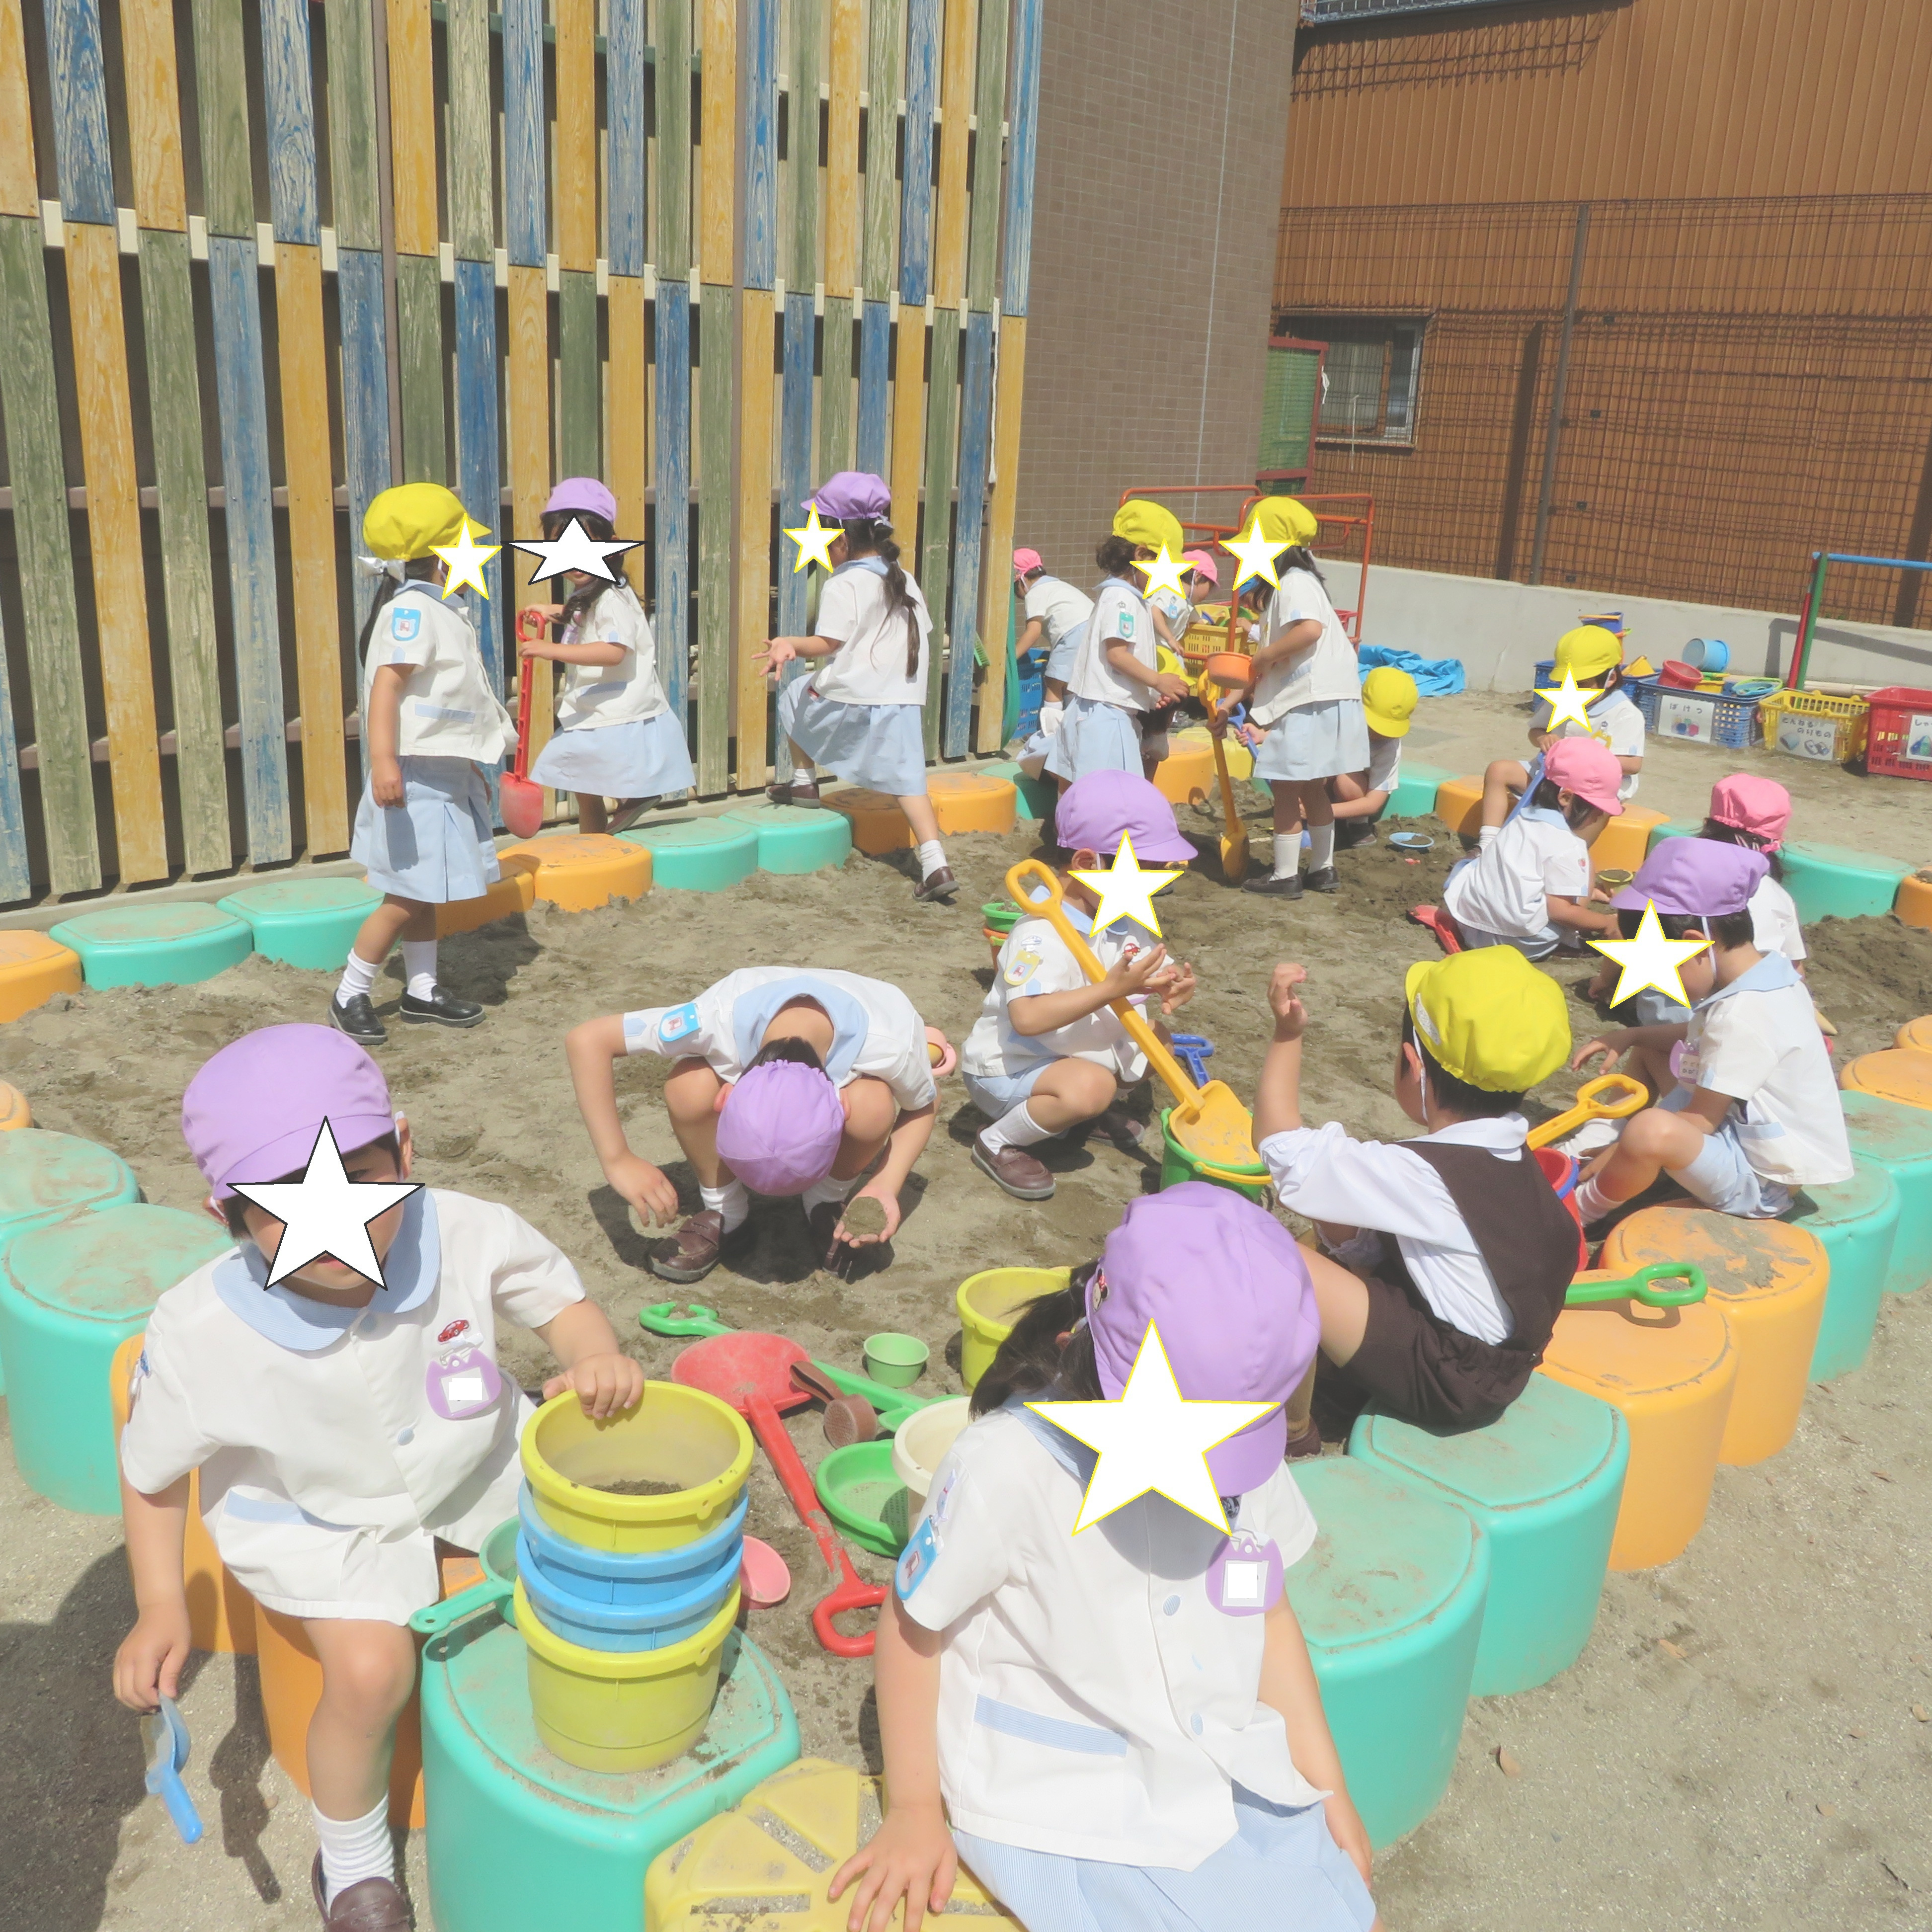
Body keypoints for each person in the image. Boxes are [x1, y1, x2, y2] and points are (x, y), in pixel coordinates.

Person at [112, 1026, 640, 1932]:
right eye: (285, 1202)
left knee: (582, 1593)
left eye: (357, 1177)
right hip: (322, 1520)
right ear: (225, 1213)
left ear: (404, 1150)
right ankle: (354, 1862)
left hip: (479, 1471)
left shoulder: (464, 1229)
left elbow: (558, 1300)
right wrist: (161, 1603)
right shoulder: (198, 1332)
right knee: (369, 1671)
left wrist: (593, 1354)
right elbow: (151, 1471)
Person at [826, 1185, 1379, 1932]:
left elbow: (1268, 1613)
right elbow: (912, 1621)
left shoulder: (1236, 1444)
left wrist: (1327, 1787)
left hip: (1223, 1764)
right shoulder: (1008, 1465)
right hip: (1075, 1800)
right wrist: (915, 1809)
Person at [1253, 948, 1581, 1440]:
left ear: (1413, 1064)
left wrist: (1287, 1034)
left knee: (1271, 1253)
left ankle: (1295, 1433)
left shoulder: (1420, 1174)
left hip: (1452, 1380)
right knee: (1335, 1219)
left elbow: (1277, 1146)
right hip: (1502, 1360)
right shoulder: (1509, 1154)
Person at [566, 967, 937, 1283]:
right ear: (726, 1096)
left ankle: (826, 1200)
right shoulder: (714, 1020)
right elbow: (587, 1040)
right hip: (754, 1004)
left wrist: (885, 1184)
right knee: (688, 1086)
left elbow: (924, 1104)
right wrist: (617, 1159)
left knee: (875, 1106)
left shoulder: (892, 1044)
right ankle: (725, 1208)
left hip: (869, 1022)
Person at [1567, 840, 1853, 1227]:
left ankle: (1581, 1209)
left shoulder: (1744, 1014)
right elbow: (1702, 1038)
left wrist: (1621, 1151)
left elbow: (1702, 1119)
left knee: (1648, 1132)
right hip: (1739, 1133)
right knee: (1651, 1049)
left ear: (1692, 943)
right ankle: (1601, 1137)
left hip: (1759, 1182)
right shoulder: (1768, 975)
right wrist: (1632, 1035)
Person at [331, 483, 519, 1047]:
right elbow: (387, 687)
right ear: (441, 554)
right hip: (414, 774)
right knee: (405, 895)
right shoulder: (411, 611)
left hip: (445, 772)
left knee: (426, 889)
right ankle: (350, 991)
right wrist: (384, 760)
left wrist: (475, 758)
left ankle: (422, 988)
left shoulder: (441, 609)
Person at [962, 771, 1199, 1200]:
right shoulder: (1040, 933)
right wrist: (1109, 990)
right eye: (1145, 869)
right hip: (1014, 1068)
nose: (1154, 884)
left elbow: (1139, 974)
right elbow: (1028, 1018)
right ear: (1089, 864)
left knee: (1159, 1042)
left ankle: (1077, 1115)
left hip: (1075, 1053)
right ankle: (997, 1141)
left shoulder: (1122, 918)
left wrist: (1168, 985)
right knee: (1091, 1088)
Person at [759, 472, 956, 902]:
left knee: (794, 695)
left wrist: (788, 642)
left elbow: (828, 644)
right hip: (902, 699)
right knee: (910, 783)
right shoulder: (902, 577)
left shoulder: (844, 582)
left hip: (857, 696)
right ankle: (935, 863)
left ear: (843, 542)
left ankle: (804, 780)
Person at [521, 476, 693, 834]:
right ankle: (600, 837)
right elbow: (586, 620)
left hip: (612, 712)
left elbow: (613, 651)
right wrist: (555, 611)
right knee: (584, 785)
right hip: (601, 709)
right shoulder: (596, 591)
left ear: (611, 547)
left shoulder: (611, 597)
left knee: (584, 778)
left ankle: (626, 807)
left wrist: (550, 650)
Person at [1240, 498, 1367, 901]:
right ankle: (1322, 868)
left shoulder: (1294, 581)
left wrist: (1265, 655)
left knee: (1286, 787)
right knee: (1313, 786)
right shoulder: (1304, 581)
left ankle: (1284, 875)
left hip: (1308, 698)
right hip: (1329, 695)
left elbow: (1309, 630)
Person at [1046, 501, 1192, 789]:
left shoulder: (1131, 597)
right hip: (1105, 715)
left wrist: (1150, 693)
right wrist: (1158, 681)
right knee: (1108, 794)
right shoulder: (1121, 598)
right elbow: (1117, 655)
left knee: (1080, 791)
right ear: (1141, 555)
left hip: (1102, 710)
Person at [1441, 737, 1624, 958]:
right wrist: (1606, 923)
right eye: (1597, 809)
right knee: (1584, 870)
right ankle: (1568, 940)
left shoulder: (1521, 818)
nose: (1598, 817)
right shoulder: (1569, 845)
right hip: (1515, 941)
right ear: (1566, 797)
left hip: (1468, 924)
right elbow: (1560, 912)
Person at [1478, 623, 1645, 832]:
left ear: (1611, 678)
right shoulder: (1563, 699)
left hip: (1592, 787)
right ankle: (1488, 840)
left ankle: (1571, 847)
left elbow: (1633, 764)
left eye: (1582, 684)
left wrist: (1578, 758)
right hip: (1548, 776)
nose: (1574, 690)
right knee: (1498, 771)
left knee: (1585, 807)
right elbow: (1536, 731)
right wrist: (1543, 739)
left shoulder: (1625, 714)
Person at [1011, 548, 1095, 779]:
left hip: (1074, 635)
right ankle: (1071, 736)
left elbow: (1033, 631)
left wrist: (1010, 659)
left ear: (1020, 579)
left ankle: (1050, 740)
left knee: (1054, 684)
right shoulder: (1057, 585)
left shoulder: (1036, 592)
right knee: (1071, 688)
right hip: (1091, 632)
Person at [1328, 667, 1419, 850]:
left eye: (1385, 730)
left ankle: (1357, 823)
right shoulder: (1341, 717)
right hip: (1325, 780)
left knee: (1346, 781)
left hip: (1356, 790)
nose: (1378, 734)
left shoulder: (1388, 748)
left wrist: (1322, 812)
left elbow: (1373, 803)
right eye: (1373, 726)